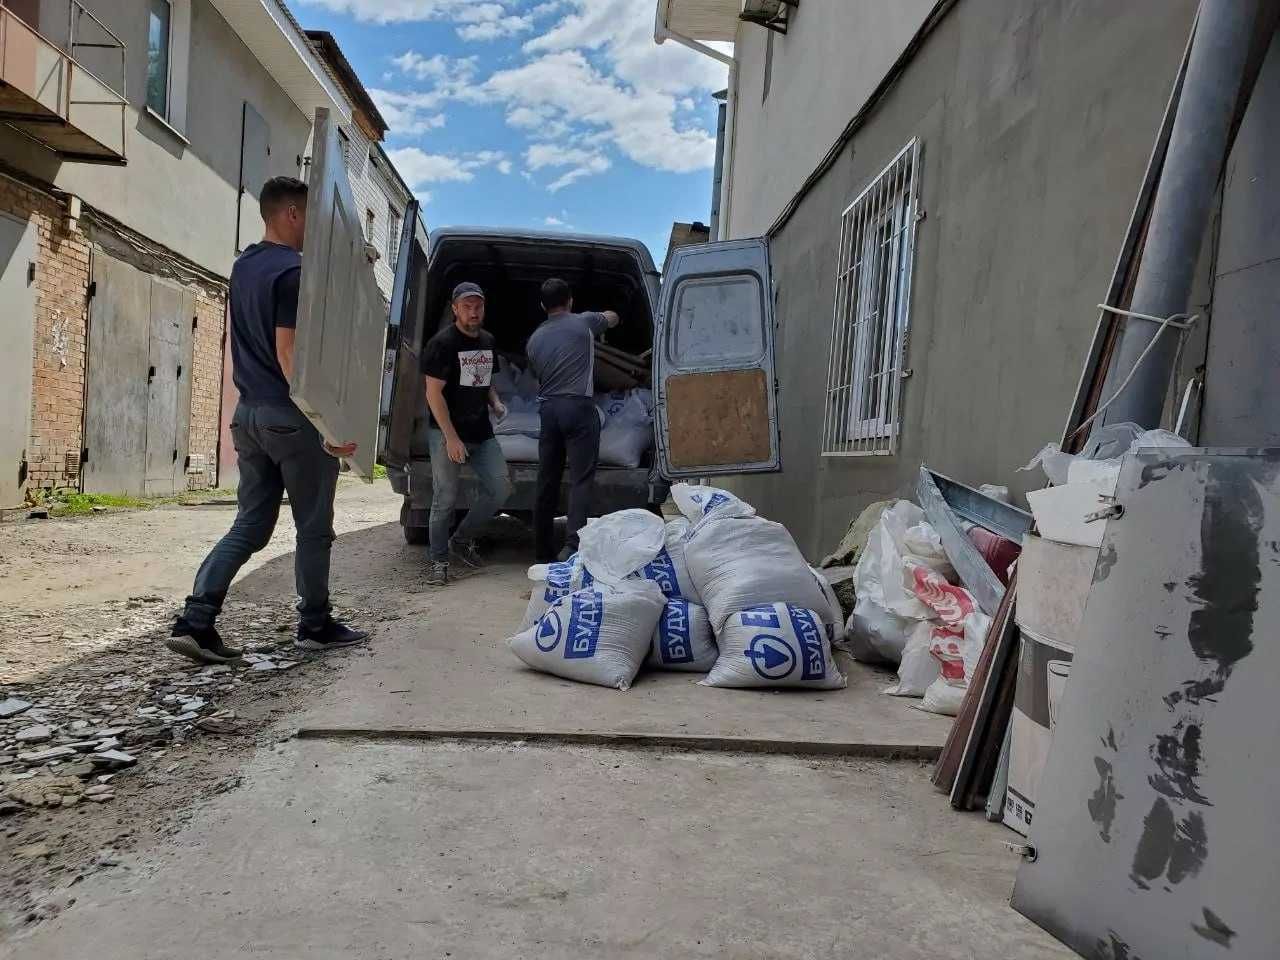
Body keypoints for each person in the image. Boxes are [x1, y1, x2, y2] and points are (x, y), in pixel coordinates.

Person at [168, 177, 367, 665]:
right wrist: (327, 424)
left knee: (252, 523)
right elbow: (289, 351)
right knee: (314, 527)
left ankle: (197, 620)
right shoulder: (294, 272)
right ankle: (315, 624)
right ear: (293, 214)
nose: (313, 232)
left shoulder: (245, 266)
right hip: (290, 418)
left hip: (249, 415)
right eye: (311, 220)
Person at [421, 281, 512, 586]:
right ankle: (438, 560)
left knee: (500, 489)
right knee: (444, 498)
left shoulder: (487, 340)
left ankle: (460, 541)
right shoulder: (442, 344)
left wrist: (496, 403)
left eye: (478, 306)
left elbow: (484, 381)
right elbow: (433, 394)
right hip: (447, 432)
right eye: (467, 306)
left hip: (481, 432)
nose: (473, 312)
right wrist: (451, 438)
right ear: (455, 308)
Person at [526, 278, 620, 563]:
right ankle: (571, 546)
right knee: (580, 480)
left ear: (543, 305)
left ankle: (541, 548)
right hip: (578, 408)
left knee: (547, 479)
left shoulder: (534, 339)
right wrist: (606, 316)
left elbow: (536, 374)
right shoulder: (583, 322)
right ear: (570, 300)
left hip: (549, 410)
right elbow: (613, 318)